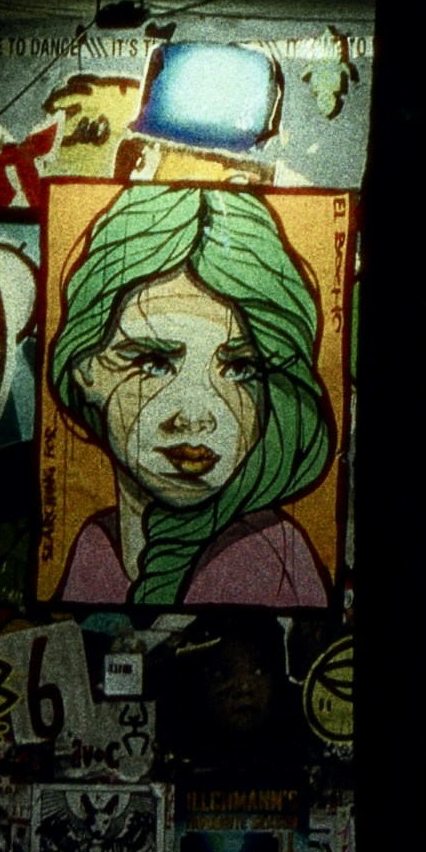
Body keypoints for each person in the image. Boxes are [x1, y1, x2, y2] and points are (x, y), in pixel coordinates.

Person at [50, 182, 337, 609]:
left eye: (240, 369)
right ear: (86, 368)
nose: (196, 415)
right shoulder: (96, 548)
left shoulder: (273, 562)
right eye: (152, 362)